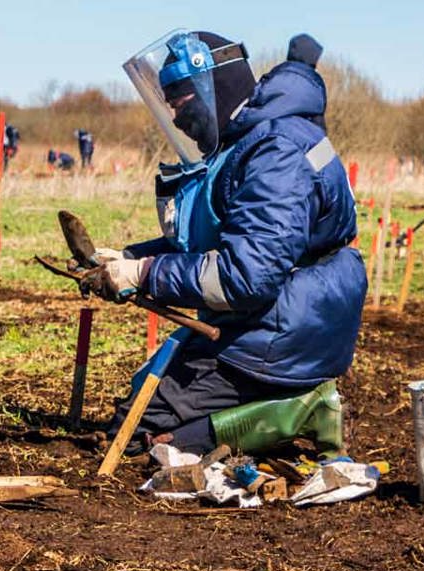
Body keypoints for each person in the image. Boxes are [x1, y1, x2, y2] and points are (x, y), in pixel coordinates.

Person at [84, 30, 361, 459]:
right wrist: (130, 258)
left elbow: (246, 277)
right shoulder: (250, 137)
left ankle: (297, 411)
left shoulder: (275, 153)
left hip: (285, 335)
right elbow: (224, 239)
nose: (176, 118)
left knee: (135, 436)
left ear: (210, 88)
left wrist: (144, 274)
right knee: (141, 396)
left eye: (180, 102)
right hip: (266, 321)